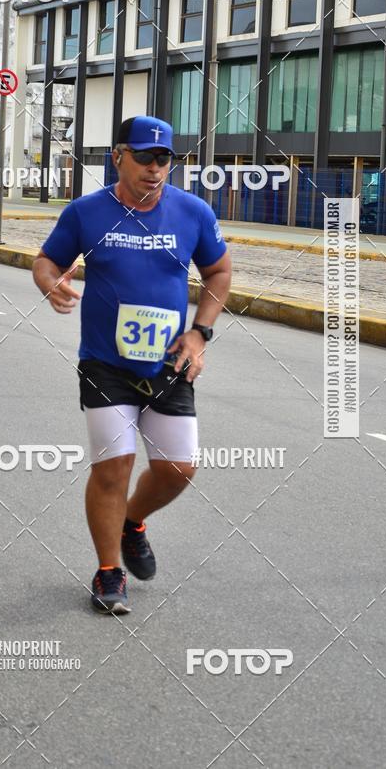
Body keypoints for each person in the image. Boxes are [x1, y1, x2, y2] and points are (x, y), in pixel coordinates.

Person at [33, 116, 232, 614]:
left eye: (164, 158)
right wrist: (50, 283)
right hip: (106, 364)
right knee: (113, 467)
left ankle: (131, 521)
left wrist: (200, 332)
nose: (154, 167)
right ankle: (108, 572)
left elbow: (219, 272)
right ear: (118, 155)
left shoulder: (192, 212)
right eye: (144, 156)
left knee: (178, 469)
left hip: (170, 362)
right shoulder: (86, 212)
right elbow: (45, 260)